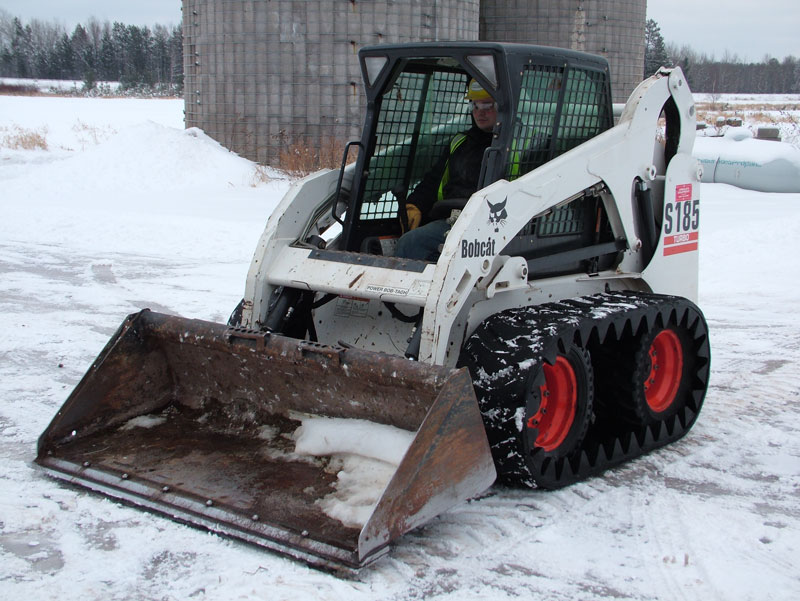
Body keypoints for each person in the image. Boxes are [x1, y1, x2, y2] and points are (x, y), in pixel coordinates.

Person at [394, 79, 497, 261]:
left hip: (496, 225)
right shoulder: (460, 143)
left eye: (487, 105)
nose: (480, 112)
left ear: (502, 106)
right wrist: (414, 204)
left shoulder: (519, 144)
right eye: (475, 105)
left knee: (410, 244)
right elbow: (434, 180)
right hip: (455, 219)